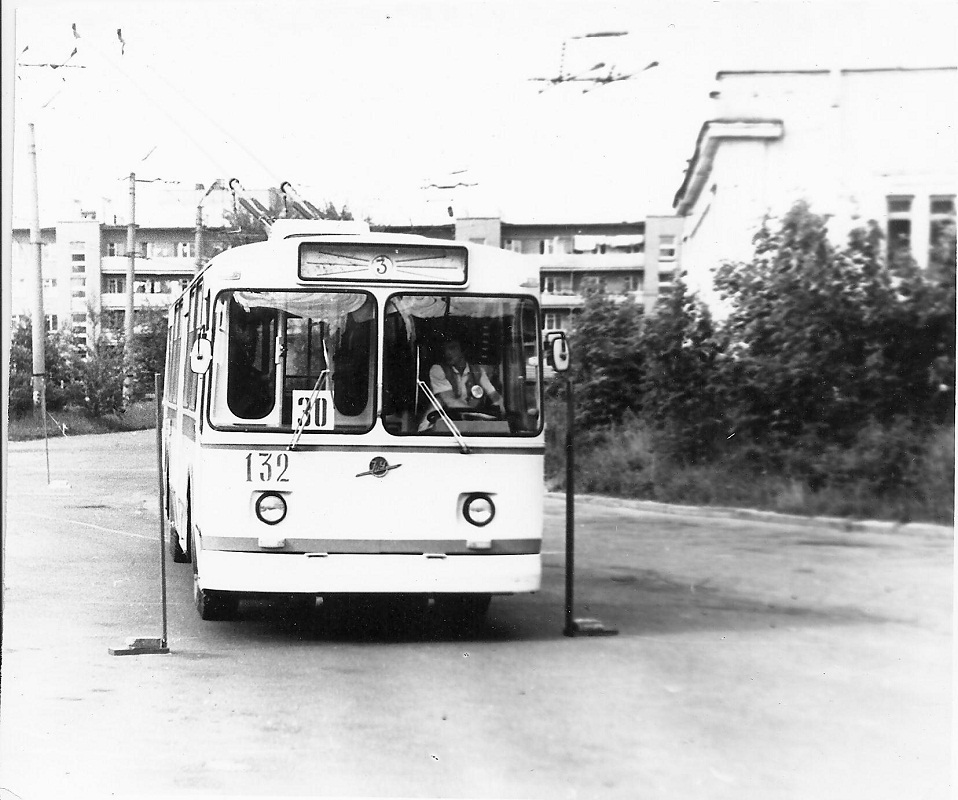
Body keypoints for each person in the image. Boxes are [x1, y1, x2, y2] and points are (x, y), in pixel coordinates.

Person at [428, 338, 503, 414]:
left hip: (466, 422)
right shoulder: (437, 370)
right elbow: (450, 401)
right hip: (439, 421)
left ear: (463, 350)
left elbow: (493, 395)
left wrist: (500, 407)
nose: (447, 353)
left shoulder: (478, 371)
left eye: (452, 348)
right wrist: (478, 415)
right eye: (445, 349)